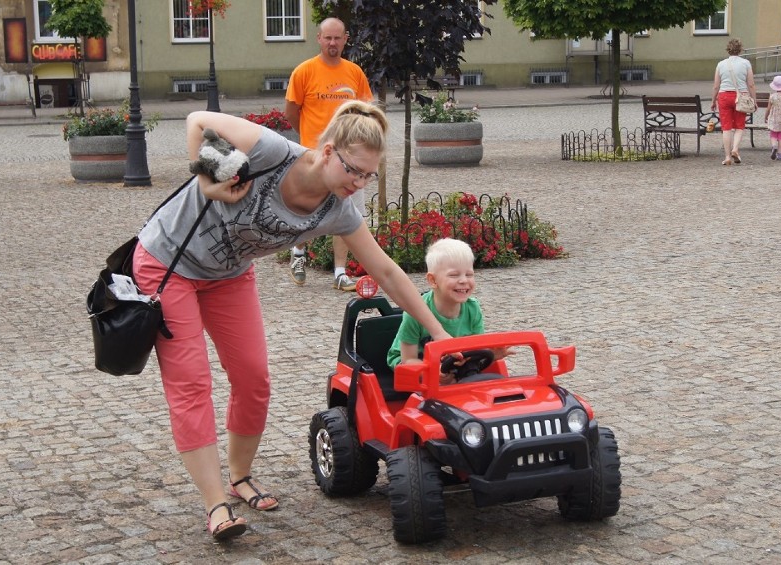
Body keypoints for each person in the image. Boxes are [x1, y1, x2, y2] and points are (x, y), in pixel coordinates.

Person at [132, 100, 450, 541]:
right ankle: (215, 506)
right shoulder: (270, 152)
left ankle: (239, 478)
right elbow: (197, 121)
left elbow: (388, 273)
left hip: (228, 275)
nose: (357, 183)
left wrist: (437, 332)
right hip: (168, 261)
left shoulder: (339, 209)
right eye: (353, 170)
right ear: (327, 150)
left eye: (367, 176)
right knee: (192, 383)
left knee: (254, 378)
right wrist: (206, 181)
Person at [285, 17, 374, 292]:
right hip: (315, 155)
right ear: (319, 38)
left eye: (337, 38)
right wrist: (311, 140)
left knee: (346, 212)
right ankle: (298, 254)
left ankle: (339, 272)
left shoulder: (354, 73)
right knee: (306, 208)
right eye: (328, 38)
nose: (332, 43)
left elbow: (366, 111)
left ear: (346, 39)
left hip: (348, 157)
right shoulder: (304, 71)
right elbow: (291, 112)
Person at [386, 238, 511, 385]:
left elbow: (475, 351)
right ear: (433, 280)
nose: (464, 280)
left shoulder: (473, 309)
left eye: (469, 274)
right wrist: (432, 371)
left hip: (452, 362)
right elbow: (408, 359)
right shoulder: (415, 313)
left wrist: (491, 355)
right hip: (411, 363)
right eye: (454, 275)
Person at [710, 38, 756, 166]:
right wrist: (754, 100)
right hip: (741, 96)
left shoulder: (721, 64)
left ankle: (727, 157)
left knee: (726, 128)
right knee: (739, 126)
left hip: (724, 96)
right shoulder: (746, 63)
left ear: (728, 49)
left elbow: (716, 85)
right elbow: (751, 84)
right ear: (740, 49)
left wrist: (713, 101)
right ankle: (735, 149)